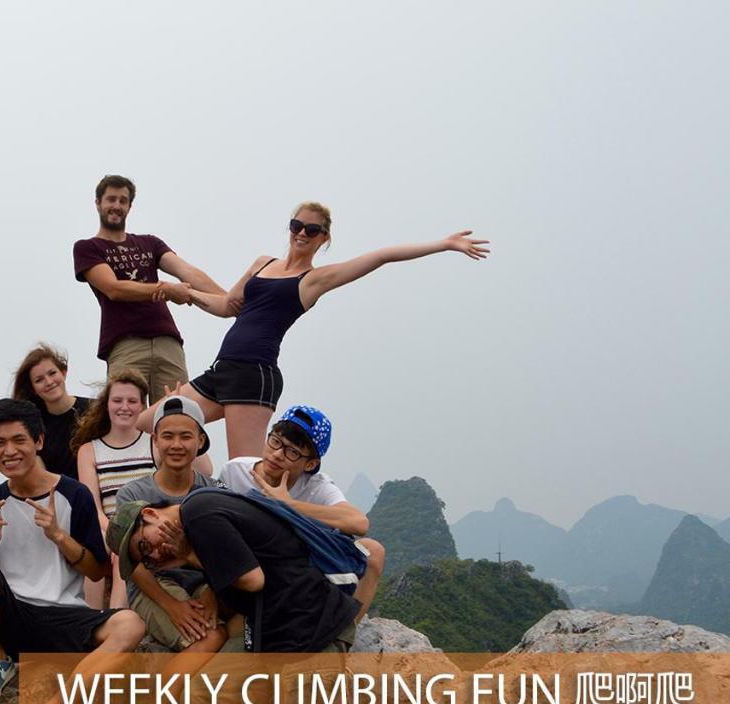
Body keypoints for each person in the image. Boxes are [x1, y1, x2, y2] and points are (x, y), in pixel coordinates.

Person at [138, 203, 490, 459]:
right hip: (221, 369)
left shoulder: (313, 281)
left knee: (243, 471)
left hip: (254, 375)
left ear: (324, 238)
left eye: (312, 230)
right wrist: (183, 292)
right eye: (296, 225)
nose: (302, 233)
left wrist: (443, 244)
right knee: (148, 421)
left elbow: (380, 257)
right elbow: (228, 306)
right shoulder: (264, 263)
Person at [0, 398, 146, 704]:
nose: (9, 451)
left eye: (18, 440)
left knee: (130, 624)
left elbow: (97, 571)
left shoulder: (74, 495)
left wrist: (60, 537)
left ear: (39, 441)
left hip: (63, 614)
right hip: (13, 615)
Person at [114, 488, 361, 704]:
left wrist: (191, 557)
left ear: (150, 514)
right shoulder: (197, 520)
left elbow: (252, 580)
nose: (155, 557)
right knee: (200, 696)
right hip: (274, 637)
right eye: (146, 560)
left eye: (146, 545)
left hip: (315, 635)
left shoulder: (199, 515)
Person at [102, 395, 233, 704]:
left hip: (210, 586)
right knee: (210, 636)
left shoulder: (215, 491)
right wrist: (173, 607)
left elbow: (228, 555)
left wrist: (211, 594)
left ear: (200, 442)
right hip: (156, 588)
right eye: (168, 436)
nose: (177, 445)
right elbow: (135, 565)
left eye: (186, 437)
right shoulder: (133, 495)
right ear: (155, 439)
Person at [220, 405, 385, 621]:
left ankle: (343, 634)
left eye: (292, 452)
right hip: (251, 566)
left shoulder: (316, 486)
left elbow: (358, 522)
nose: (277, 454)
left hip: (298, 570)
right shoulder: (235, 471)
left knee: (373, 552)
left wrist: (288, 504)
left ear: (310, 464)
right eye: (276, 441)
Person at [72, 175, 227, 404]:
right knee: (128, 417)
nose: (116, 205)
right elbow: (113, 288)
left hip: (168, 343)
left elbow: (186, 272)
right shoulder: (88, 248)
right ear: (98, 203)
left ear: (129, 207)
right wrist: (167, 290)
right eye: (111, 199)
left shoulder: (150, 243)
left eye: (123, 201)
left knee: (176, 412)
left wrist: (230, 300)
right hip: (125, 344)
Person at [71, 369, 155, 609]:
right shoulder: (89, 450)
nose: (124, 407)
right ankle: (91, 619)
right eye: (117, 400)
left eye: (132, 401)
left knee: (122, 549)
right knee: (93, 549)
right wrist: (114, 530)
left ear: (142, 406)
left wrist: (176, 409)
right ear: (106, 405)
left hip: (148, 524)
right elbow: (92, 506)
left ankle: (117, 620)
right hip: (107, 524)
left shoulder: (154, 442)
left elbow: (204, 466)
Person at [11, 344, 91, 479]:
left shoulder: (95, 409)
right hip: (57, 494)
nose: (48, 382)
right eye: (39, 380)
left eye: (52, 373)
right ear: (33, 389)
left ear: (64, 373)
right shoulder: (32, 425)